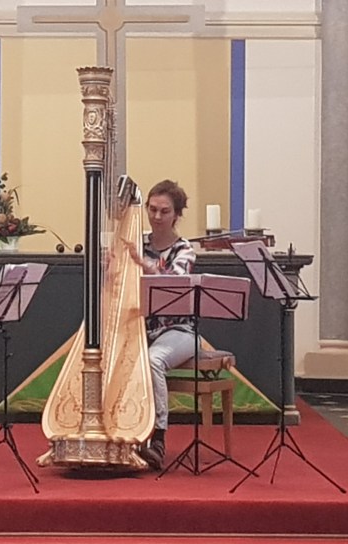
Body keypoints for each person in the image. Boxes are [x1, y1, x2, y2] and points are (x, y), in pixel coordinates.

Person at [124, 179, 196, 470]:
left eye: (164, 211)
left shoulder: (184, 250)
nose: (156, 216)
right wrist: (112, 264)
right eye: (152, 209)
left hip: (179, 331)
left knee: (152, 360)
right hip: (142, 328)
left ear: (176, 214)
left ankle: (158, 438)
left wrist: (145, 265)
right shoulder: (136, 242)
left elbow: (173, 285)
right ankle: (123, 432)